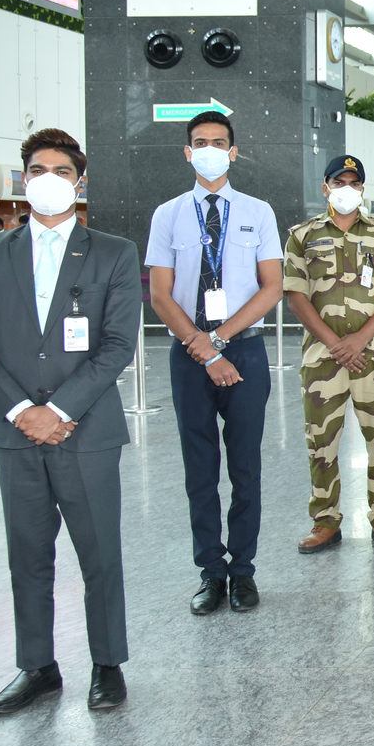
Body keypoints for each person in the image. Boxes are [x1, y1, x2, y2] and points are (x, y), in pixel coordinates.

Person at [0, 128, 137, 713]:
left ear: (79, 183)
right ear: (23, 179)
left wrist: (57, 410)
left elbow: (117, 345)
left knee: (99, 553)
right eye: (38, 170)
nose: (49, 180)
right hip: (15, 433)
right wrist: (21, 411)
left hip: (85, 431)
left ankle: (107, 664)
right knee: (27, 555)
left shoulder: (112, 252)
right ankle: (37, 667)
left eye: (62, 171)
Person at [144, 110, 284, 615]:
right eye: (199, 142)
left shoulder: (258, 212)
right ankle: (210, 572)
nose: (209, 149)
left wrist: (219, 341)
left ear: (233, 151)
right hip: (188, 355)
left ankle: (242, 570)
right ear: (188, 153)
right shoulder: (168, 214)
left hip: (243, 349)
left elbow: (272, 287)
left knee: (245, 467)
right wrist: (202, 348)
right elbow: (160, 294)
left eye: (218, 142)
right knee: (199, 470)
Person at [282, 156, 374, 553]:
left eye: (354, 183)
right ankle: (325, 521)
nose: (347, 189)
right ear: (326, 187)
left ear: (362, 189)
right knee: (321, 442)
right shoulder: (302, 235)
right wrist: (335, 343)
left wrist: (359, 340)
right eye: (339, 182)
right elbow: (295, 295)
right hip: (323, 358)